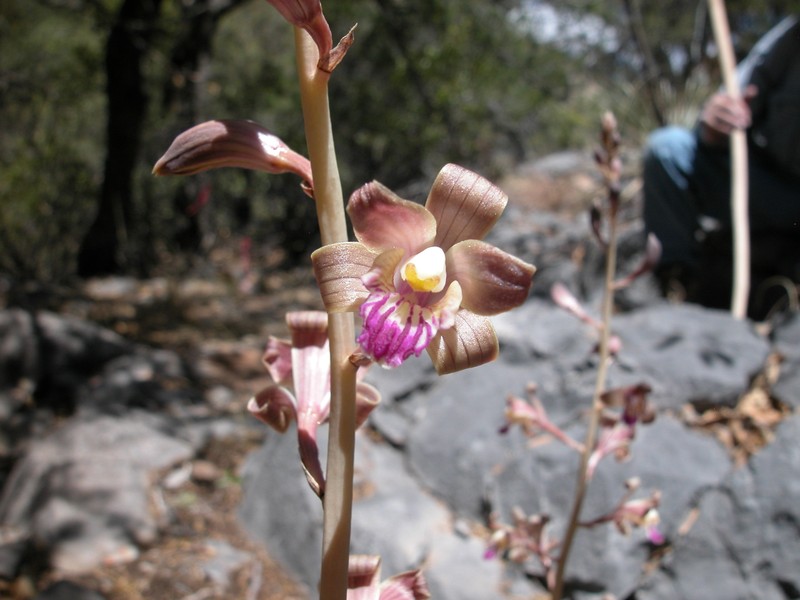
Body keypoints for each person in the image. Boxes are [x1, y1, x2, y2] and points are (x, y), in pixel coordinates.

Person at [642, 15, 800, 308]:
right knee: (668, 149)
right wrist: (714, 125)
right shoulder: (791, 39)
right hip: (760, 183)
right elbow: (733, 99)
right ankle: (676, 284)